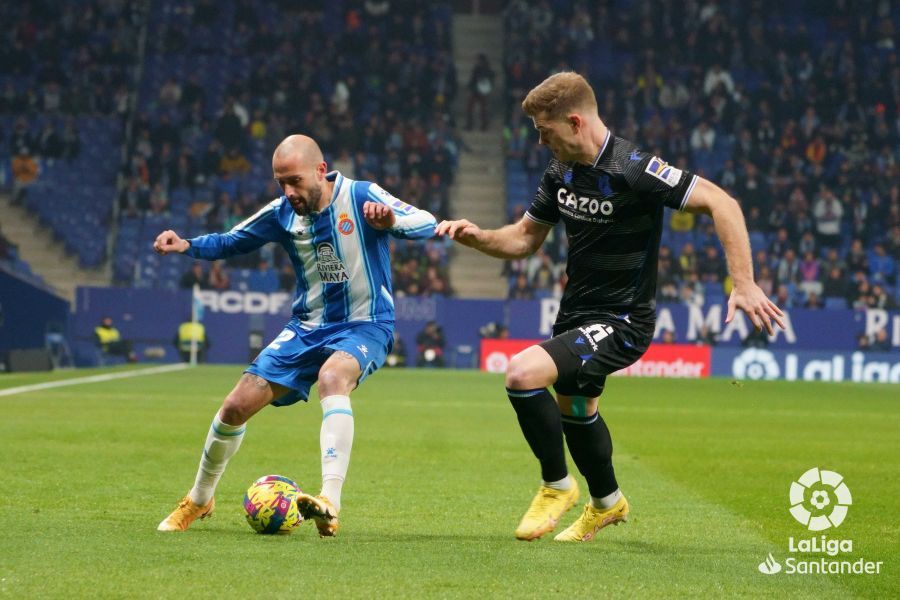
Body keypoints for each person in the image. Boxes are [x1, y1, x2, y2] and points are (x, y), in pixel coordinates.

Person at [436, 72, 785, 543]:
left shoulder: (635, 168)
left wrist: (743, 282)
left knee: (521, 374)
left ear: (575, 121)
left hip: (623, 319)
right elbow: (523, 239)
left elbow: (722, 202)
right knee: (577, 410)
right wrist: (477, 237)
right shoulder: (559, 173)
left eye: (544, 130)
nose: (540, 141)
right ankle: (607, 503)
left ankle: (556, 485)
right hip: (575, 314)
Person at [153, 134, 436, 536]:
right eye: (280, 183)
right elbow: (233, 240)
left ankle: (329, 502)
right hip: (305, 328)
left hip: (366, 323)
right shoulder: (281, 213)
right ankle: (199, 499)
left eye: (295, 181)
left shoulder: (361, 195)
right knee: (234, 407)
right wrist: (187, 245)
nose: (288, 192)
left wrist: (392, 222)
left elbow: (426, 222)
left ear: (321, 171)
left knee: (332, 377)